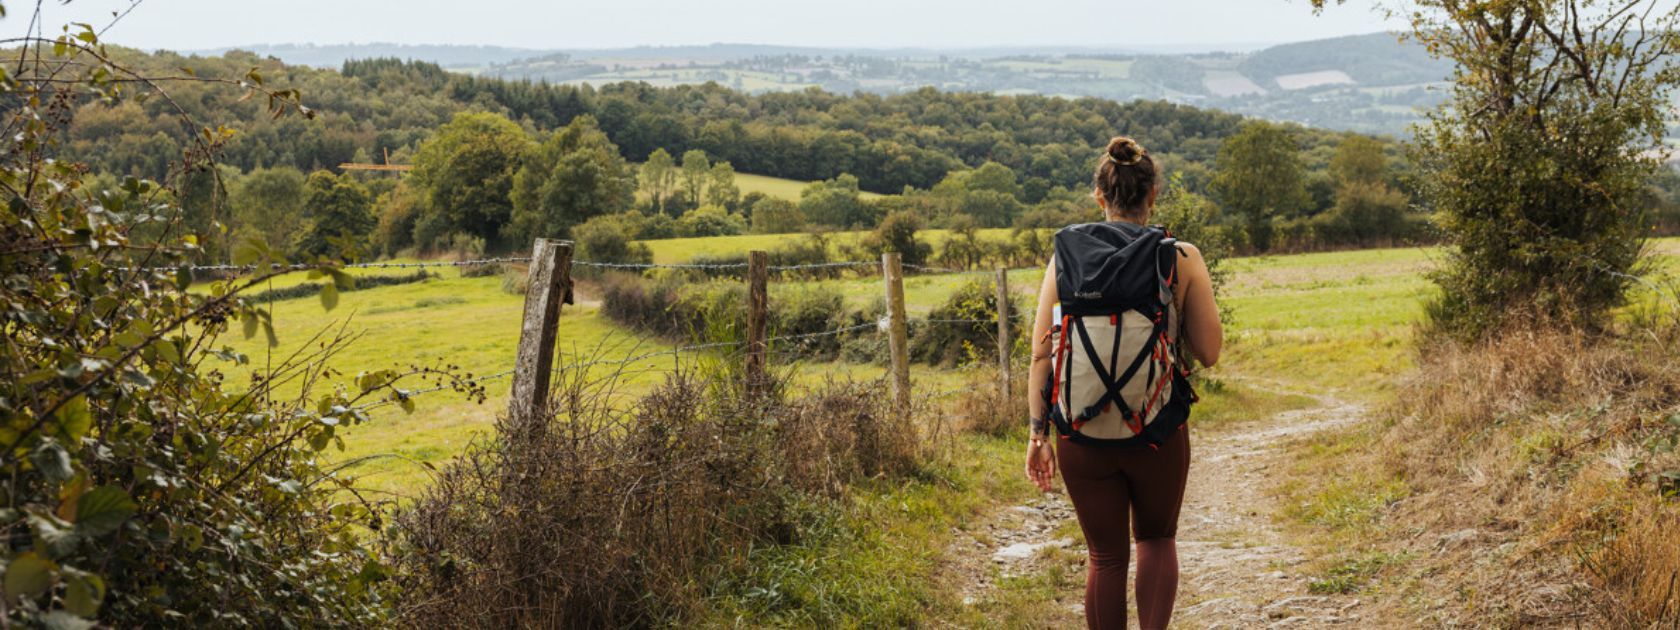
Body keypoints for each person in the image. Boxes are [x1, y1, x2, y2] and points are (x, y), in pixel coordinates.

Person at [1024, 136, 1223, 630]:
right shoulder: (1180, 257)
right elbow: (1210, 352)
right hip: (1157, 432)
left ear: (1099, 197)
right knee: (1156, 540)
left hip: (1080, 434)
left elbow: (1041, 354)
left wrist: (1037, 434)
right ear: (1153, 194)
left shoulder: (1066, 258)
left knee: (1105, 557)